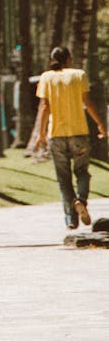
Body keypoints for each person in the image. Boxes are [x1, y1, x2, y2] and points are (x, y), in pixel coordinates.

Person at [35, 46, 107, 229]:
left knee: (63, 179)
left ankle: (70, 219)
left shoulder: (46, 77)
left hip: (56, 135)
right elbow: (87, 103)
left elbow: (44, 107)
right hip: (79, 132)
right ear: (68, 59)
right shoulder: (79, 75)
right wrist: (100, 124)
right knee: (82, 172)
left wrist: (41, 133)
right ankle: (81, 199)